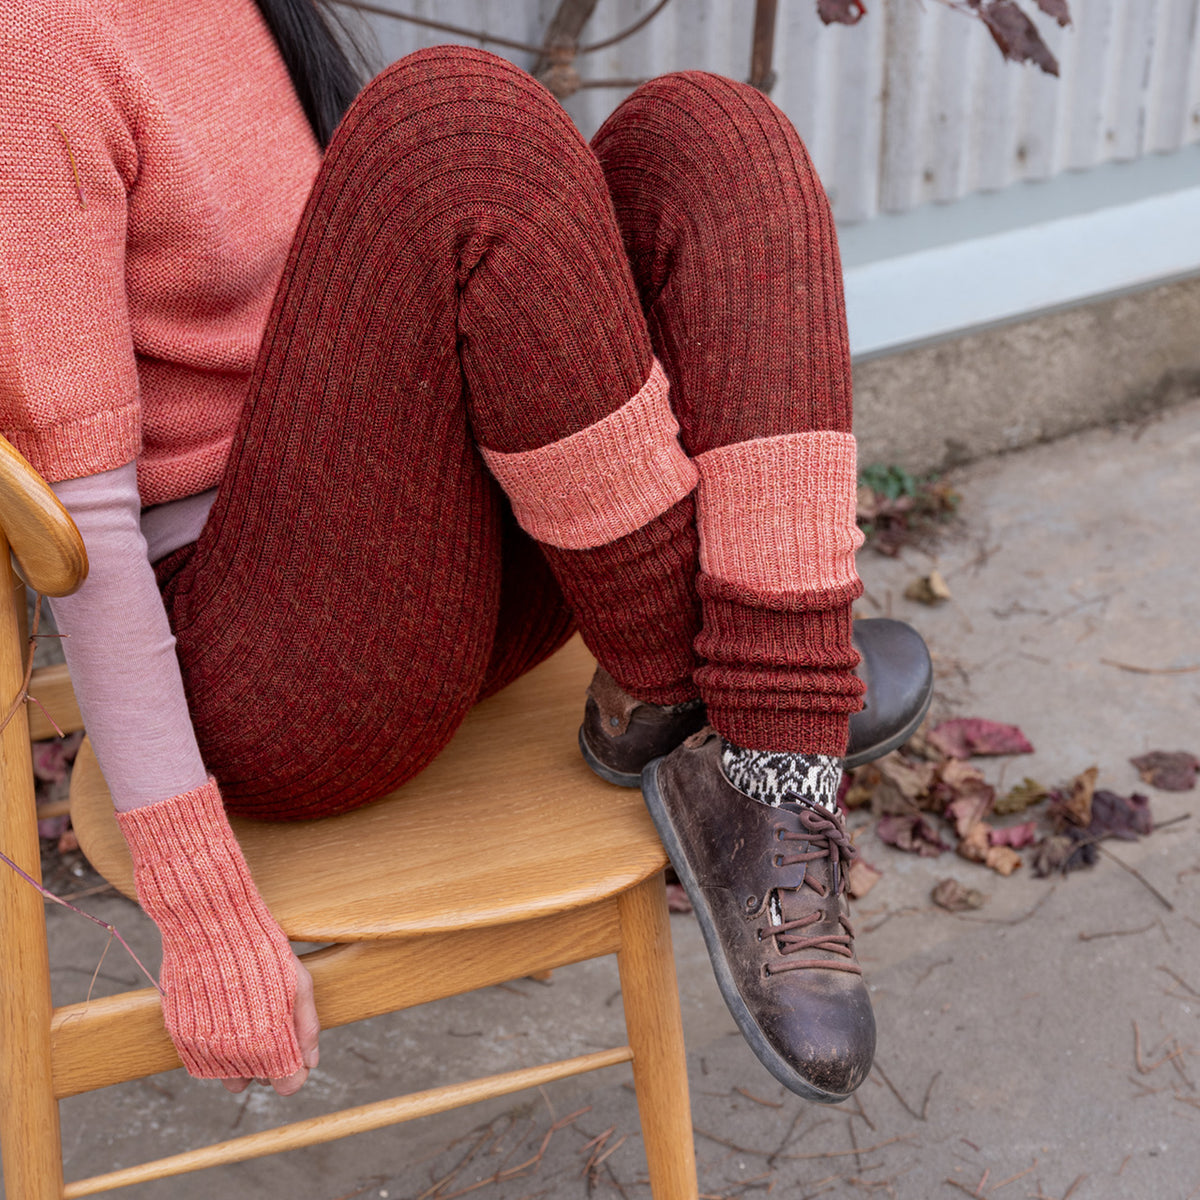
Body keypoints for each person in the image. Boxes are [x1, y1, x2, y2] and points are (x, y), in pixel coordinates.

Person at [1, 0, 929, 1106]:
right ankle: (756, 698)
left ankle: (768, 749)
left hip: (440, 582)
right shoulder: (33, 44)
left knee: (717, 137)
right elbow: (82, 527)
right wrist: (199, 907)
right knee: (453, 136)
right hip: (280, 674)